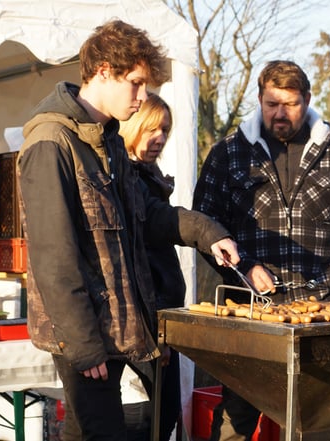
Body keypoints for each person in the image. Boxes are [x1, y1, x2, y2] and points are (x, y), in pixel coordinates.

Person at [17, 20, 240, 441]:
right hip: (85, 335)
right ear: (103, 71)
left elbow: (149, 218)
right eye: (135, 84)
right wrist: (84, 346)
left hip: (121, 325)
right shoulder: (51, 142)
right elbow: (53, 258)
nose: (142, 97)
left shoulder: (110, 142)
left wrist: (211, 234)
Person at [193, 60, 330, 441]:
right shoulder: (228, 154)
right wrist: (244, 267)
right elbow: (205, 227)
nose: (280, 114)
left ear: (308, 99)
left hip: (325, 312)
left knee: (325, 421)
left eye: (290, 104)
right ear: (259, 99)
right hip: (252, 311)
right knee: (236, 418)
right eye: (271, 104)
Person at [118, 93, 183, 440]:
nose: (159, 137)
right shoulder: (126, 180)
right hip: (143, 321)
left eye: (166, 130)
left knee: (164, 412)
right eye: (152, 128)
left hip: (161, 316)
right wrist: (154, 328)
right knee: (147, 417)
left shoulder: (150, 176)